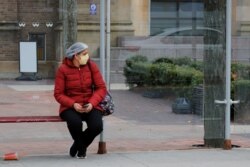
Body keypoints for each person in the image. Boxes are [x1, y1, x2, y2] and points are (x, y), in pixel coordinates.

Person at [54, 42, 107, 159]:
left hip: (90, 104)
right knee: (75, 123)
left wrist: (92, 103)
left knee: (97, 126)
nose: (87, 56)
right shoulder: (63, 69)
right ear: (75, 55)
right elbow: (58, 94)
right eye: (84, 54)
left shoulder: (91, 66)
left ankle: (76, 146)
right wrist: (73, 104)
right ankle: (82, 149)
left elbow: (101, 88)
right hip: (70, 106)